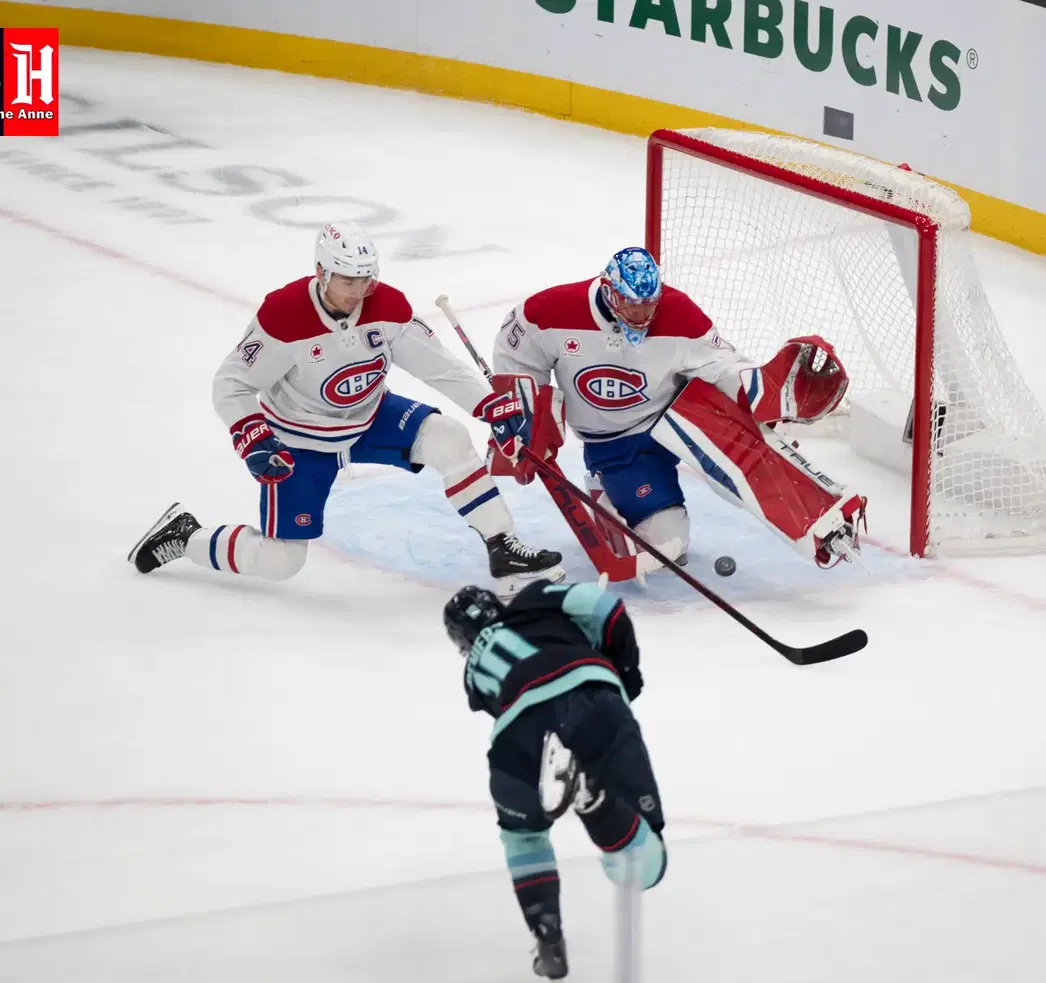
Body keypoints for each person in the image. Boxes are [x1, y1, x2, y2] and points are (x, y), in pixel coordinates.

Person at [127, 222, 563, 592]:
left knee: (448, 438)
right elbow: (232, 383)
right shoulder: (285, 316)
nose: (359, 292)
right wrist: (251, 436)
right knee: (282, 561)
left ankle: (502, 548)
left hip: (370, 419)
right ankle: (187, 536)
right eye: (348, 280)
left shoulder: (386, 306)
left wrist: (491, 406)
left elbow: (439, 367)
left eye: (366, 279)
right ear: (321, 272)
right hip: (298, 441)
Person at [485, 246, 866, 574]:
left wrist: (766, 390)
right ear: (608, 290)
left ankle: (824, 526)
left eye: (649, 304)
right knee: (669, 542)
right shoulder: (552, 310)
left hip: (682, 412)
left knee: (749, 461)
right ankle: (606, 487)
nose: (642, 314)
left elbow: (721, 365)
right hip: (616, 443)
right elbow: (515, 353)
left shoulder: (679, 313)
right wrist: (522, 413)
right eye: (631, 305)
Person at [444, 578, 665, 979]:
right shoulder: (533, 600)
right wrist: (624, 672)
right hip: (589, 696)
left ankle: (547, 933)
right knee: (645, 864)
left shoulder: (474, 680)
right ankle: (595, 801)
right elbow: (605, 607)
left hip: (515, 732)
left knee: (523, 835)